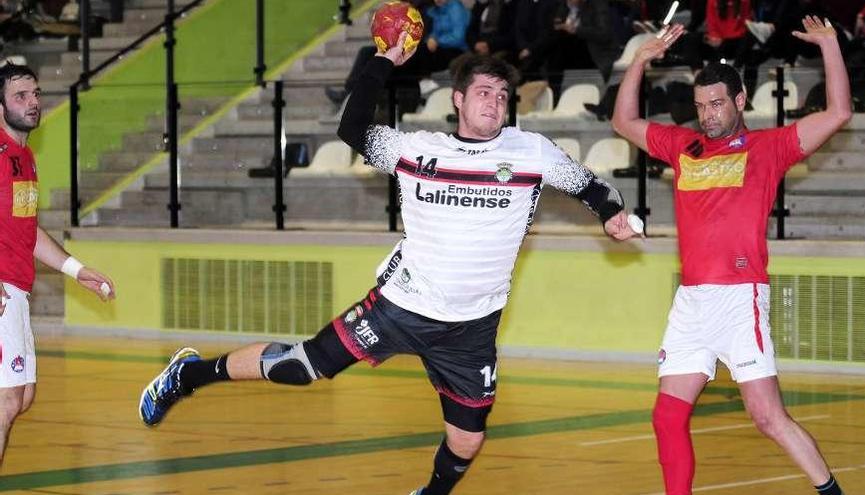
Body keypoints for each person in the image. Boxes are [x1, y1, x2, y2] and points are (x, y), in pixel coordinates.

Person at [138, 33, 640, 495]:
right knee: (301, 367)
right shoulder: (417, 149)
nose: (496, 102)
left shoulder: (532, 152)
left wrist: (613, 215)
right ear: (458, 100)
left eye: (503, 96)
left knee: (466, 443)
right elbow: (351, 128)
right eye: (484, 92)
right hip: (399, 307)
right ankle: (187, 376)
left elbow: (594, 186)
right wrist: (381, 62)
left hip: (472, 327)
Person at [611, 16, 850, 495]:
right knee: (666, 416)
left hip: (740, 300)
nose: (709, 114)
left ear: (740, 101)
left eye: (717, 104)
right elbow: (622, 122)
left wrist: (829, 46)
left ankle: (831, 490)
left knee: (767, 418)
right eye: (701, 106)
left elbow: (839, 113)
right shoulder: (684, 147)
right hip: (692, 302)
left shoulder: (769, 148)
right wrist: (639, 60)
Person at [0, 62, 115, 465]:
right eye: (20, 96)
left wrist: (75, 269)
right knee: (8, 400)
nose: (32, 103)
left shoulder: (25, 157)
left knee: (23, 396)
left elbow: (27, 232)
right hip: (2, 290)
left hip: (17, 289)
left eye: (35, 94)